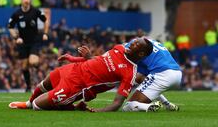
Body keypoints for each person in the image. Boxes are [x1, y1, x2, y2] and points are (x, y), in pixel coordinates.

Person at [9, 38, 155, 112]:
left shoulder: (130, 72)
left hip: (78, 85)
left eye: (136, 44)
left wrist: (98, 111)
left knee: (37, 106)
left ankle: (70, 107)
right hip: (74, 68)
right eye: (134, 41)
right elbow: (98, 61)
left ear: (141, 53)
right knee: (45, 82)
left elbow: (117, 103)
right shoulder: (119, 48)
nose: (131, 44)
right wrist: (74, 59)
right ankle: (27, 103)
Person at [122, 37, 182, 112]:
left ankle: (150, 106)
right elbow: (140, 75)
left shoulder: (132, 47)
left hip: (162, 74)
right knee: (141, 78)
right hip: (177, 73)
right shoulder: (147, 43)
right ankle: (167, 104)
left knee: (127, 107)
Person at [8, 0, 48, 92]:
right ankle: (28, 86)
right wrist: (16, 37)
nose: (26, 0)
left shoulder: (35, 11)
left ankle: (39, 67)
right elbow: (10, 27)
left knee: (32, 61)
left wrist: (45, 33)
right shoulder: (16, 14)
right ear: (21, 0)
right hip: (23, 43)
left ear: (30, 0)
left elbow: (45, 20)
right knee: (25, 66)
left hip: (34, 41)